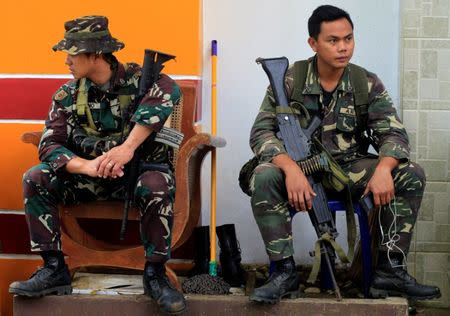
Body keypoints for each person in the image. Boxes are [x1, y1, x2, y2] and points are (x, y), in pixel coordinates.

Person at [245, 5, 441, 304]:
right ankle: (283, 273)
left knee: (410, 172)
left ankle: (390, 269)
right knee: (265, 174)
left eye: (348, 39)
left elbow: (393, 134)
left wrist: (385, 168)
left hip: (349, 168)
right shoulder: (289, 80)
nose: (343, 47)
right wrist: (291, 169)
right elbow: (261, 132)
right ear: (313, 43)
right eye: (333, 40)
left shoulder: (365, 82)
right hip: (298, 171)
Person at [9, 15, 186, 315]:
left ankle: (155, 275)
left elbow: (171, 91)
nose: (66, 60)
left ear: (95, 55)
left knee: (158, 184)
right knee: (35, 177)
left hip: (134, 177)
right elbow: (49, 145)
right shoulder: (67, 95)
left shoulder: (140, 79)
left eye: (72, 53)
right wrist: (86, 166)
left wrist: (127, 149)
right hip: (88, 178)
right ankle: (54, 268)